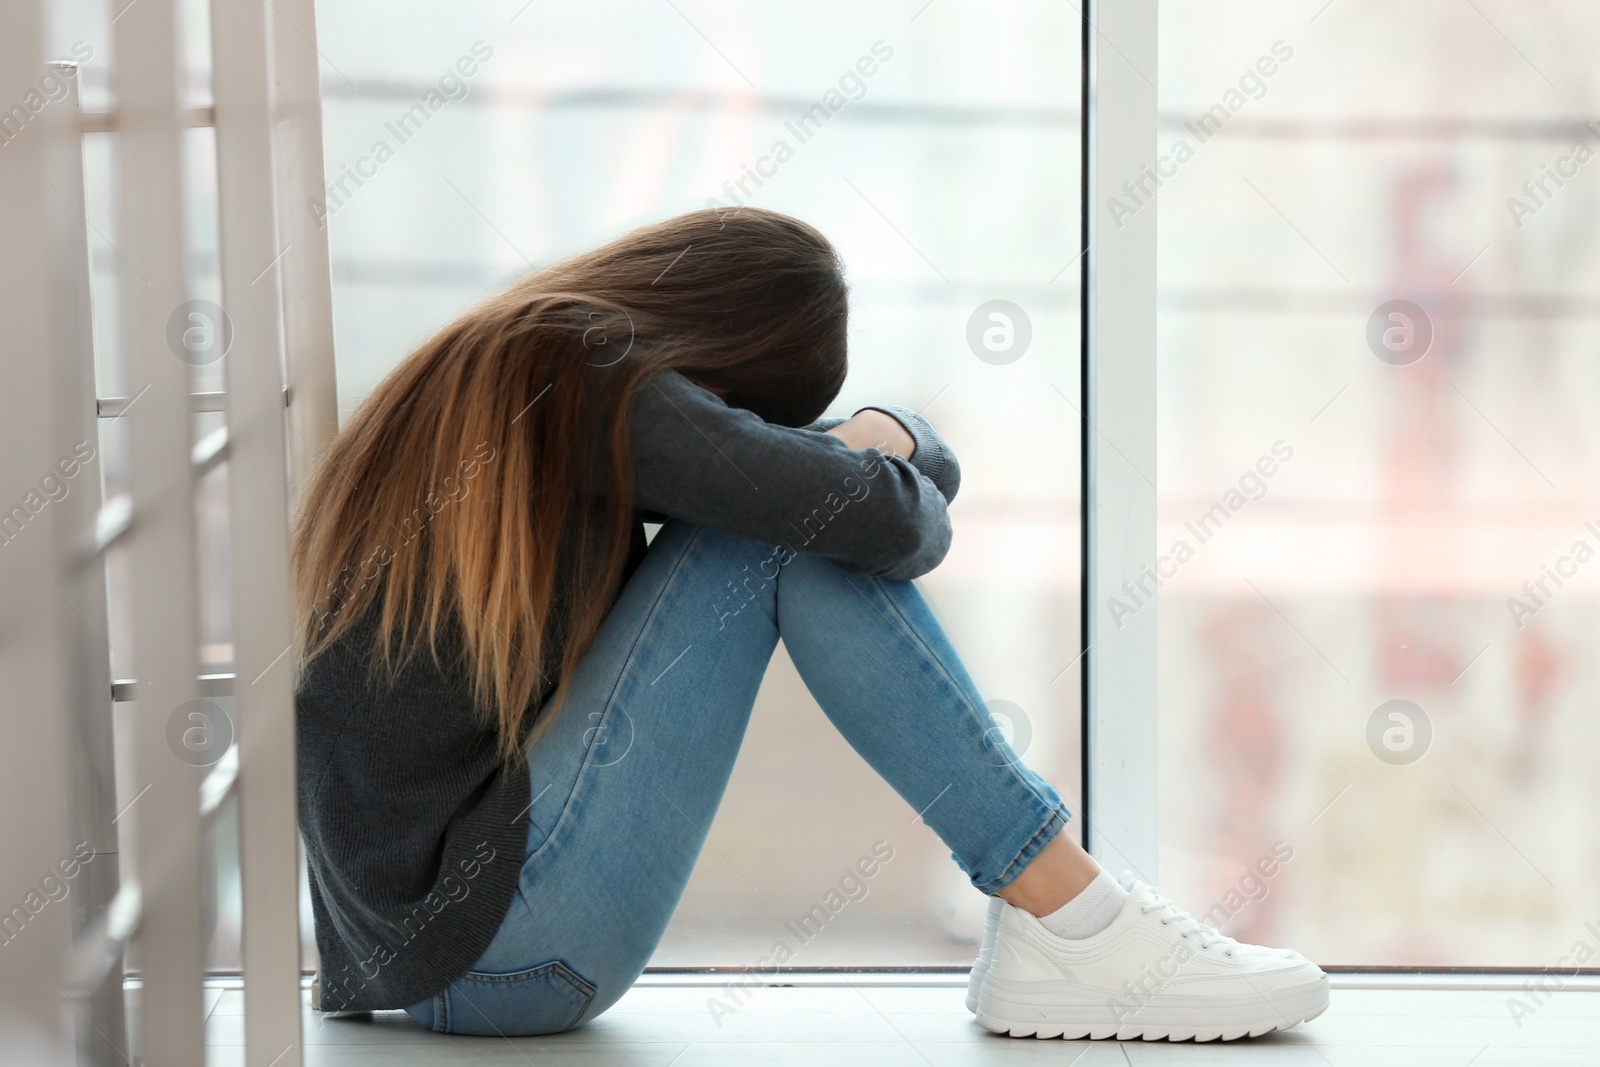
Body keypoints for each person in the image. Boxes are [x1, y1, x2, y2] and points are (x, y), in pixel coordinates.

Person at [291, 207, 1327, 1042]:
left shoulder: (512, 358)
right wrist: (879, 442)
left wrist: (886, 442)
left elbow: (880, 492)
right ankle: (1072, 913)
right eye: (738, 417)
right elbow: (877, 518)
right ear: (723, 364)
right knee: (781, 532)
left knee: (793, 512)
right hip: (500, 951)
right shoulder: (587, 372)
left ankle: (1060, 913)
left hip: (441, 956)